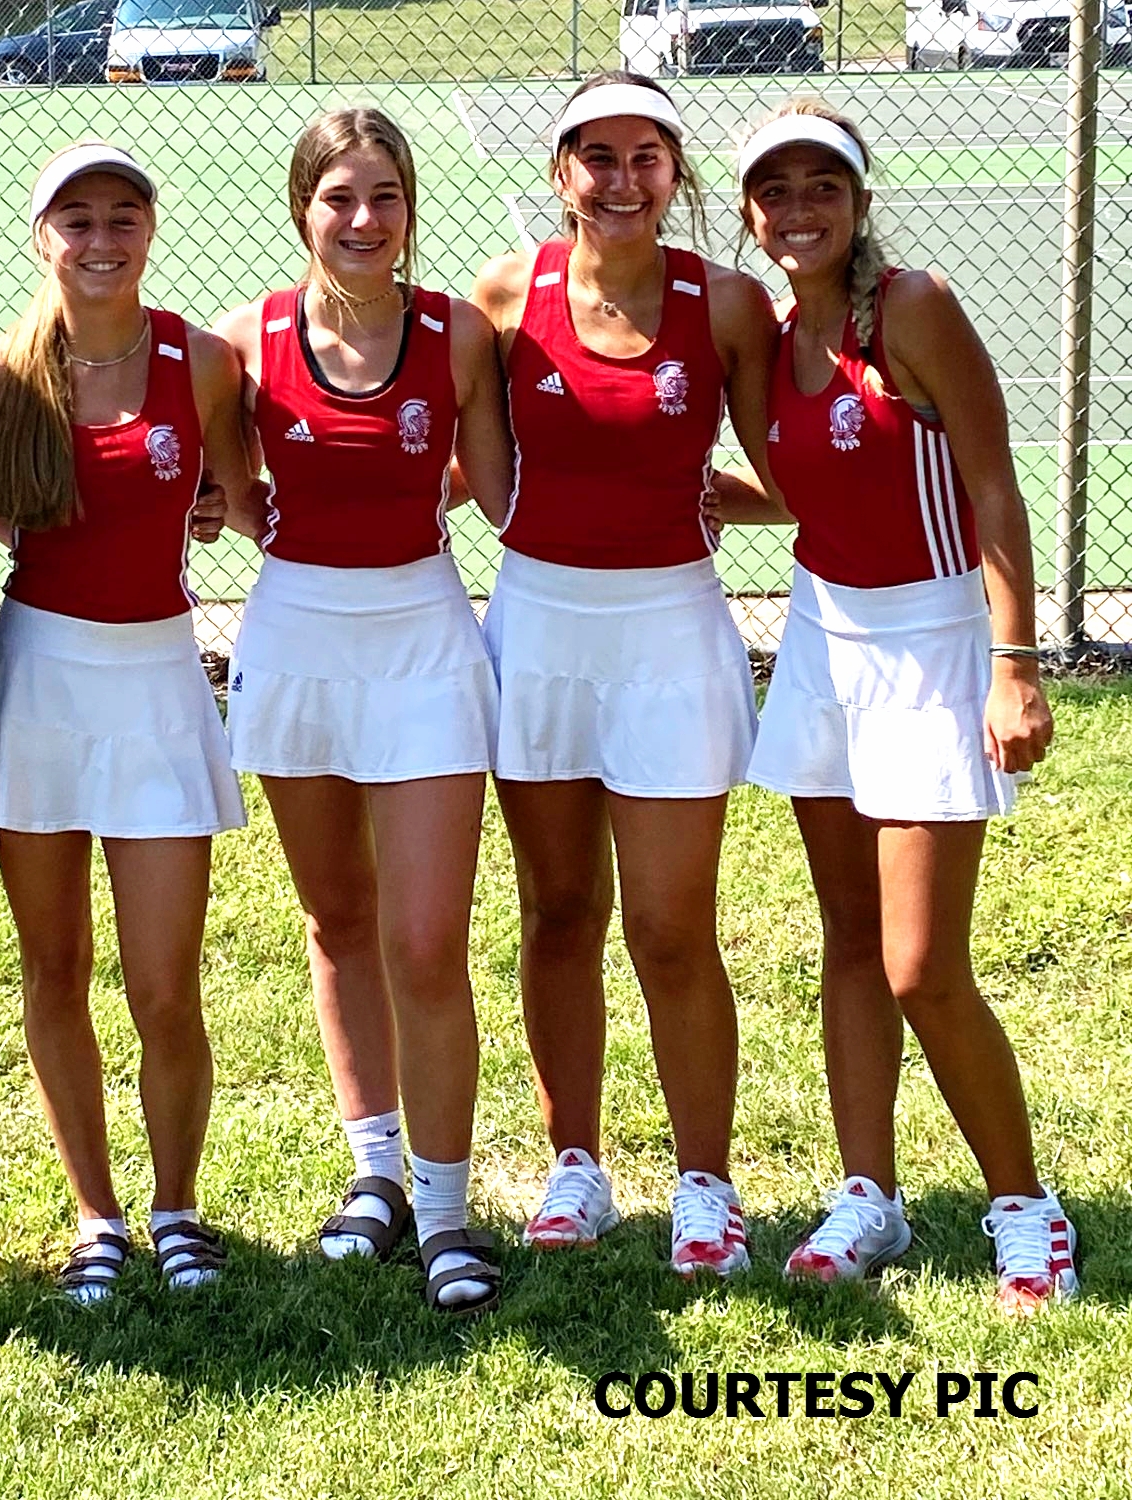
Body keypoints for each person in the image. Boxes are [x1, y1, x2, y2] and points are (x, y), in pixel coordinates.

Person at [727, 100, 1075, 1311]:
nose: (800, 209)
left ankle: (1028, 1206)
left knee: (922, 963)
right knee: (848, 941)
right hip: (827, 642)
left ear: (860, 203)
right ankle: (867, 1194)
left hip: (936, 646)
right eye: (778, 191)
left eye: (824, 187)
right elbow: (823, 477)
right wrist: (733, 499)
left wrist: (1014, 660)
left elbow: (988, 481)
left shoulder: (910, 307)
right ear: (751, 212)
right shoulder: (767, 336)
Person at [470, 73, 777, 1275]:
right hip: (539, 628)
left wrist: (699, 500)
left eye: (646, 154)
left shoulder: (731, 305)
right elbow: (465, 463)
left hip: (672, 635)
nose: (620, 176)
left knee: (669, 924)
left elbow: (788, 468)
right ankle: (576, 1168)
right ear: (561, 175)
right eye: (595, 155)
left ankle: (708, 1185)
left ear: (674, 173)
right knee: (556, 912)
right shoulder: (505, 296)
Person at [215, 108, 513, 1314]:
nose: (362, 219)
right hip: (294, 640)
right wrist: (256, 520)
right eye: (339, 197)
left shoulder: (461, 336)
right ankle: (376, 1176)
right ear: (303, 209)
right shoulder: (243, 341)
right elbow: (221, 484)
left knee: (428, 941)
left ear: (407, 207)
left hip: (424, 642)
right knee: (340, 919)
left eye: (383, 195)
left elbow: (498, 486)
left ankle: (447, 1213)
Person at [0, 143, 247, 1302]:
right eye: (75, 219)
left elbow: (233, 494)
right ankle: (98, 1217)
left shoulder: (206, 359)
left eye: (121, 216)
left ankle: (177, 1208)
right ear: (43, 237)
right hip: (39, 679)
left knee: (165, 983)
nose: (99, 239)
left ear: (150, 227)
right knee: (55, 965)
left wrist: (216, 503)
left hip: (160, 681)